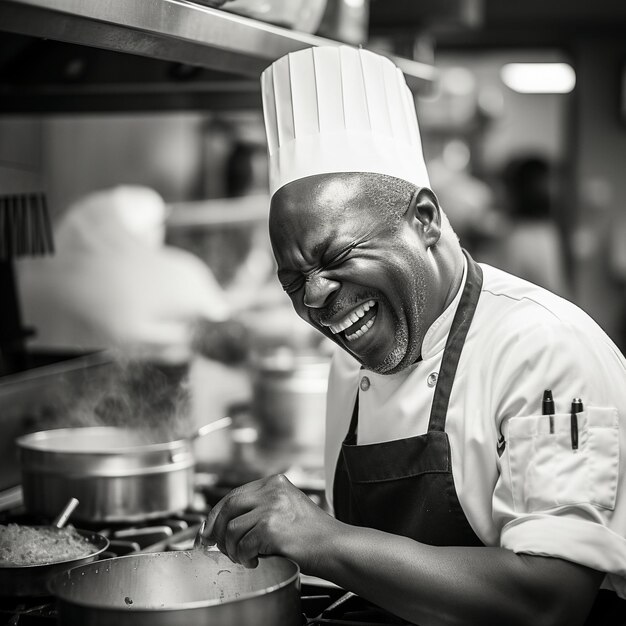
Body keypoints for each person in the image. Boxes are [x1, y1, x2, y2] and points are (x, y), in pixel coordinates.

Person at [201, 47, 626, 625]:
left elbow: (549, 602)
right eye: (293, 280)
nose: (315, 297)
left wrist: (322, 538)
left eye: (337, 255)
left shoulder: (543, 348)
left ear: (424, 219)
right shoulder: (352, 365)